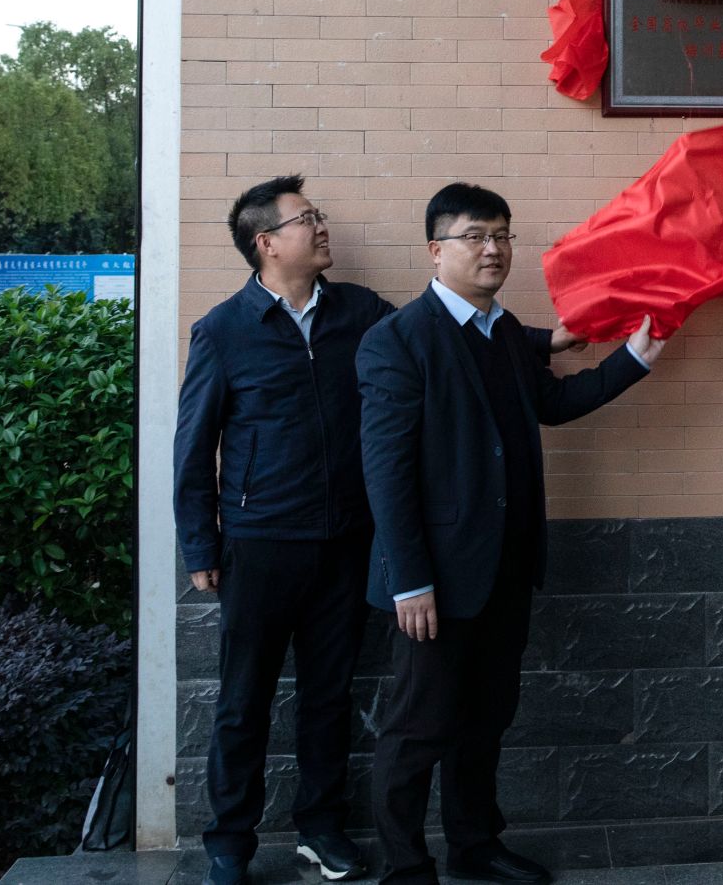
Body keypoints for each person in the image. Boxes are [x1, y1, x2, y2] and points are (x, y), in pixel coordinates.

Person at [174, 175, 574, 885]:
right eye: (306, 219)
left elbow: (447, 331)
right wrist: (200, 543)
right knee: (243, 700)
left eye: (319, 215)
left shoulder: (359, 312)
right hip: (260, 542)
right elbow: (193, 442)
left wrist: (544, 341)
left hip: (345, 542)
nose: (321, 226)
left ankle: (321, 828)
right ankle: (229, 841)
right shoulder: (224, 330)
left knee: (330, 694)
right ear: (266, 243)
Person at [358, 182, 668, 885]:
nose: (493, 248)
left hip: (505, 567)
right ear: (436, 250)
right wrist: (410, 580)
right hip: (434, 581)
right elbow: (386, 473)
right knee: (417, 727)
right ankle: (406, 865)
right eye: (474, 235)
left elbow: (552, 403)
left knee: (486, 719)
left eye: (501, 234)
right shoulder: (397, 341)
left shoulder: (502, 332)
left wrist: (634, 357)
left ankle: (474, 845)